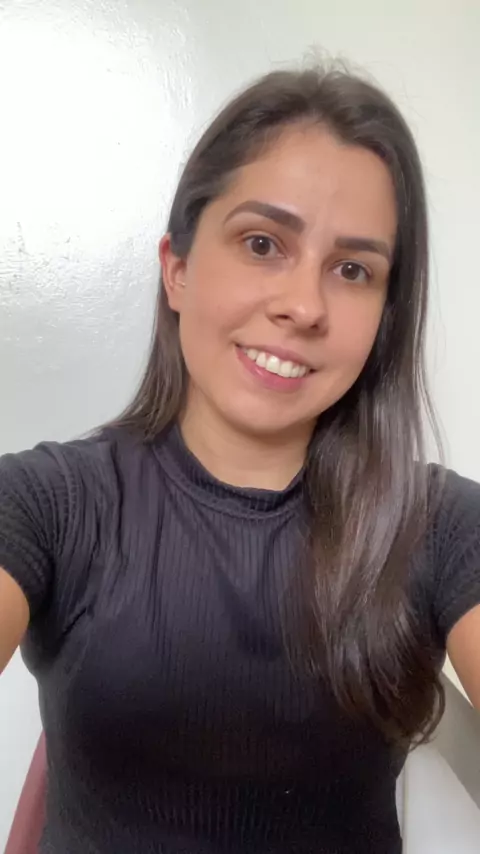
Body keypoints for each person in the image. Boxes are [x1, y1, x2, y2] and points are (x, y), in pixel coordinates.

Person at [0, 63, 479, 854]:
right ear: (178, 269)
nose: (304, 306)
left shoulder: (437, 527)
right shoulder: (49, 503)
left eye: (353, 270)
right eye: (263, 244)